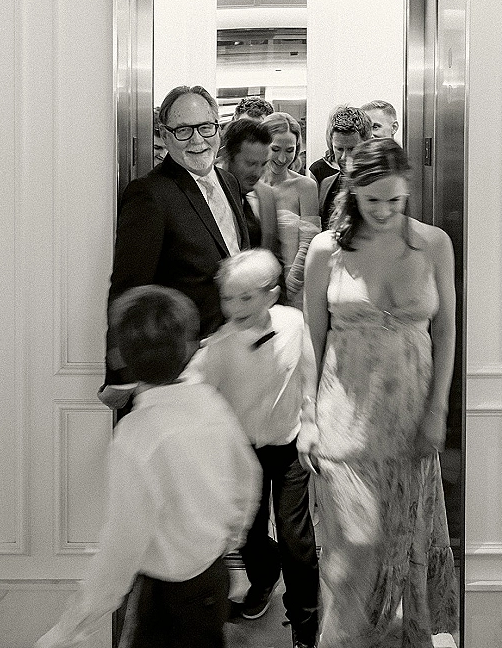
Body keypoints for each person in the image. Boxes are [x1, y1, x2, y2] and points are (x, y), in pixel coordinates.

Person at [36, 285, 261, 648]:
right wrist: (230, 542)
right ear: (190, 348)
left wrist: (72, 627)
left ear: (122, 357)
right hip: (211, 577)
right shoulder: (210, 403)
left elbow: (122, 544)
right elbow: (247, 476)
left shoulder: (136, 437)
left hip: (171, 596)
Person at [299, 138, 459, 648]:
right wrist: (306, 417)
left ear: (407, 188)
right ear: (353, 193)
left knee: (406, 546)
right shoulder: (328, 250)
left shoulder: (433, 244)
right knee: (353, 552)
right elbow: (312, 336)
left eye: (395, 199)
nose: (385, 211)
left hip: (411, 419)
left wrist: (439, 410)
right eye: (373, 202)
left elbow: (447, 330)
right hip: (344, 420)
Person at [189, 249, 319, 648]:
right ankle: (264, 578)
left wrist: (311, 418)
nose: (234, 306)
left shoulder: (294, 323)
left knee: (297, 539)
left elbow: (308, 367)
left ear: (272, 295)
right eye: (228, 298)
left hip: (290, 444)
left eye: (246, 297)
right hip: (245, 454)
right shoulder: (219, 347)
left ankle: (305, 625)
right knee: (249, 534)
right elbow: (192, 389)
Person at [100, 84, 250, 410]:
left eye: (205, 127)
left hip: (234, 358)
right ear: (165, 136)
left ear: (218, 130)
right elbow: (128, 290)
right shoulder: (149, 194)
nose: (197, 140)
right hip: (180, 370)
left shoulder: (230, 182)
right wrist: (122, 373)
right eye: (182, 130)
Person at [260, 111, 320, 309]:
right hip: (255, 289)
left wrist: (289, 287)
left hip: (295, 287)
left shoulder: (305, 186)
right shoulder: (248, 185)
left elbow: (309, 242)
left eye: (290, 150)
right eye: (275, 149)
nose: (282, 158)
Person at [221, 118, 282, 257]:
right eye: (250, 163)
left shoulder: (267, 195)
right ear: (227, 156)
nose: (257, 173)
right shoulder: (208, 195)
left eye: (263, 164)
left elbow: (274, 253)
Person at [317, 105, 372, 230]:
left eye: (352, 149)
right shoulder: (326, 185)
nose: (344, 157)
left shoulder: (382, 184)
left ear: (368, 144)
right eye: (339, 149)